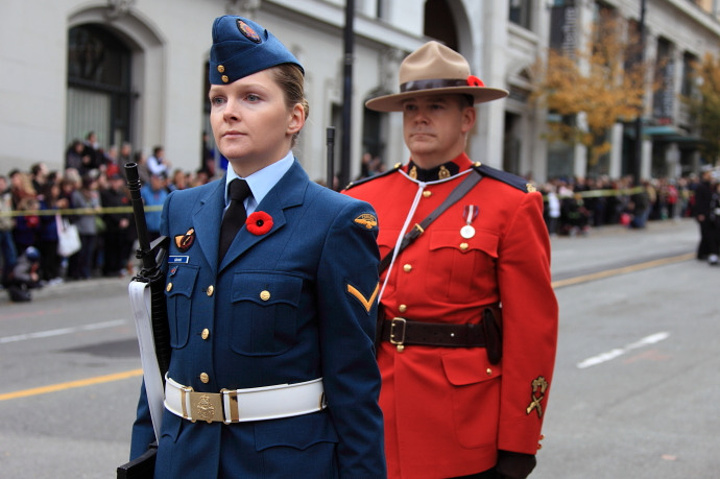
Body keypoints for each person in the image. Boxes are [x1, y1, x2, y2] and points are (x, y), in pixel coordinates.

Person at [129, 15, 385, 478]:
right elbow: (160, 360)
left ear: (295, 117)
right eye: (218, 99)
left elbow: (354, 381)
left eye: (251, 97)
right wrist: (145, 455)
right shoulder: (181, 209)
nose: (228, 111)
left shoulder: (335, 221)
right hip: (183, 457)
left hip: (281, 462)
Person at [343, 41, 558, 479]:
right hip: (373, 414)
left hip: (461, 423)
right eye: (410, 107)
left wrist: (518, 440)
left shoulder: (510, 203)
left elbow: (531, 332)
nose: (419, 117)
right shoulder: (359, 199)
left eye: (436, 105)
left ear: (467, 118)